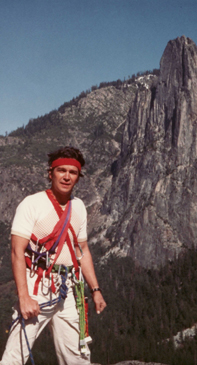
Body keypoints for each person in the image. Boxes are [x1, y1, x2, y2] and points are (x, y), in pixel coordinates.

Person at [0, 146, 106, 365]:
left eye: (73, 172)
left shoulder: (79, 207)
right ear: (51, 173)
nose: (67, 176)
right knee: (15, 355)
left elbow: (82, 250)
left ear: (78, 177)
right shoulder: (32, 204)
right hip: (37, 286)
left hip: (70, 288)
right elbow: (16, 252)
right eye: (61, 170)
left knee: (76, 356)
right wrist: (24, 297)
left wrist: (95, 289)